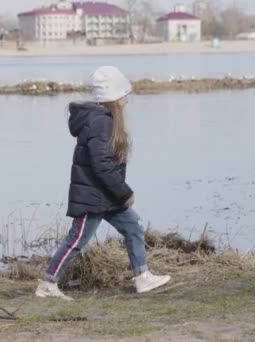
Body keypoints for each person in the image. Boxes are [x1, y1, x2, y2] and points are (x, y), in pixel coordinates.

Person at [35, 66, 171, 301]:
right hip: (94, 196)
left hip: (106, 196)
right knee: (76, 241)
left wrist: (118, 195)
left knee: (132, 227)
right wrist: (125, 193)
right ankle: (48, 284)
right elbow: (101, 165)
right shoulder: (101, 122)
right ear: (114, 98)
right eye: (124, 95)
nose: (127, 100)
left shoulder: (102, 119)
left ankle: (142, 276)